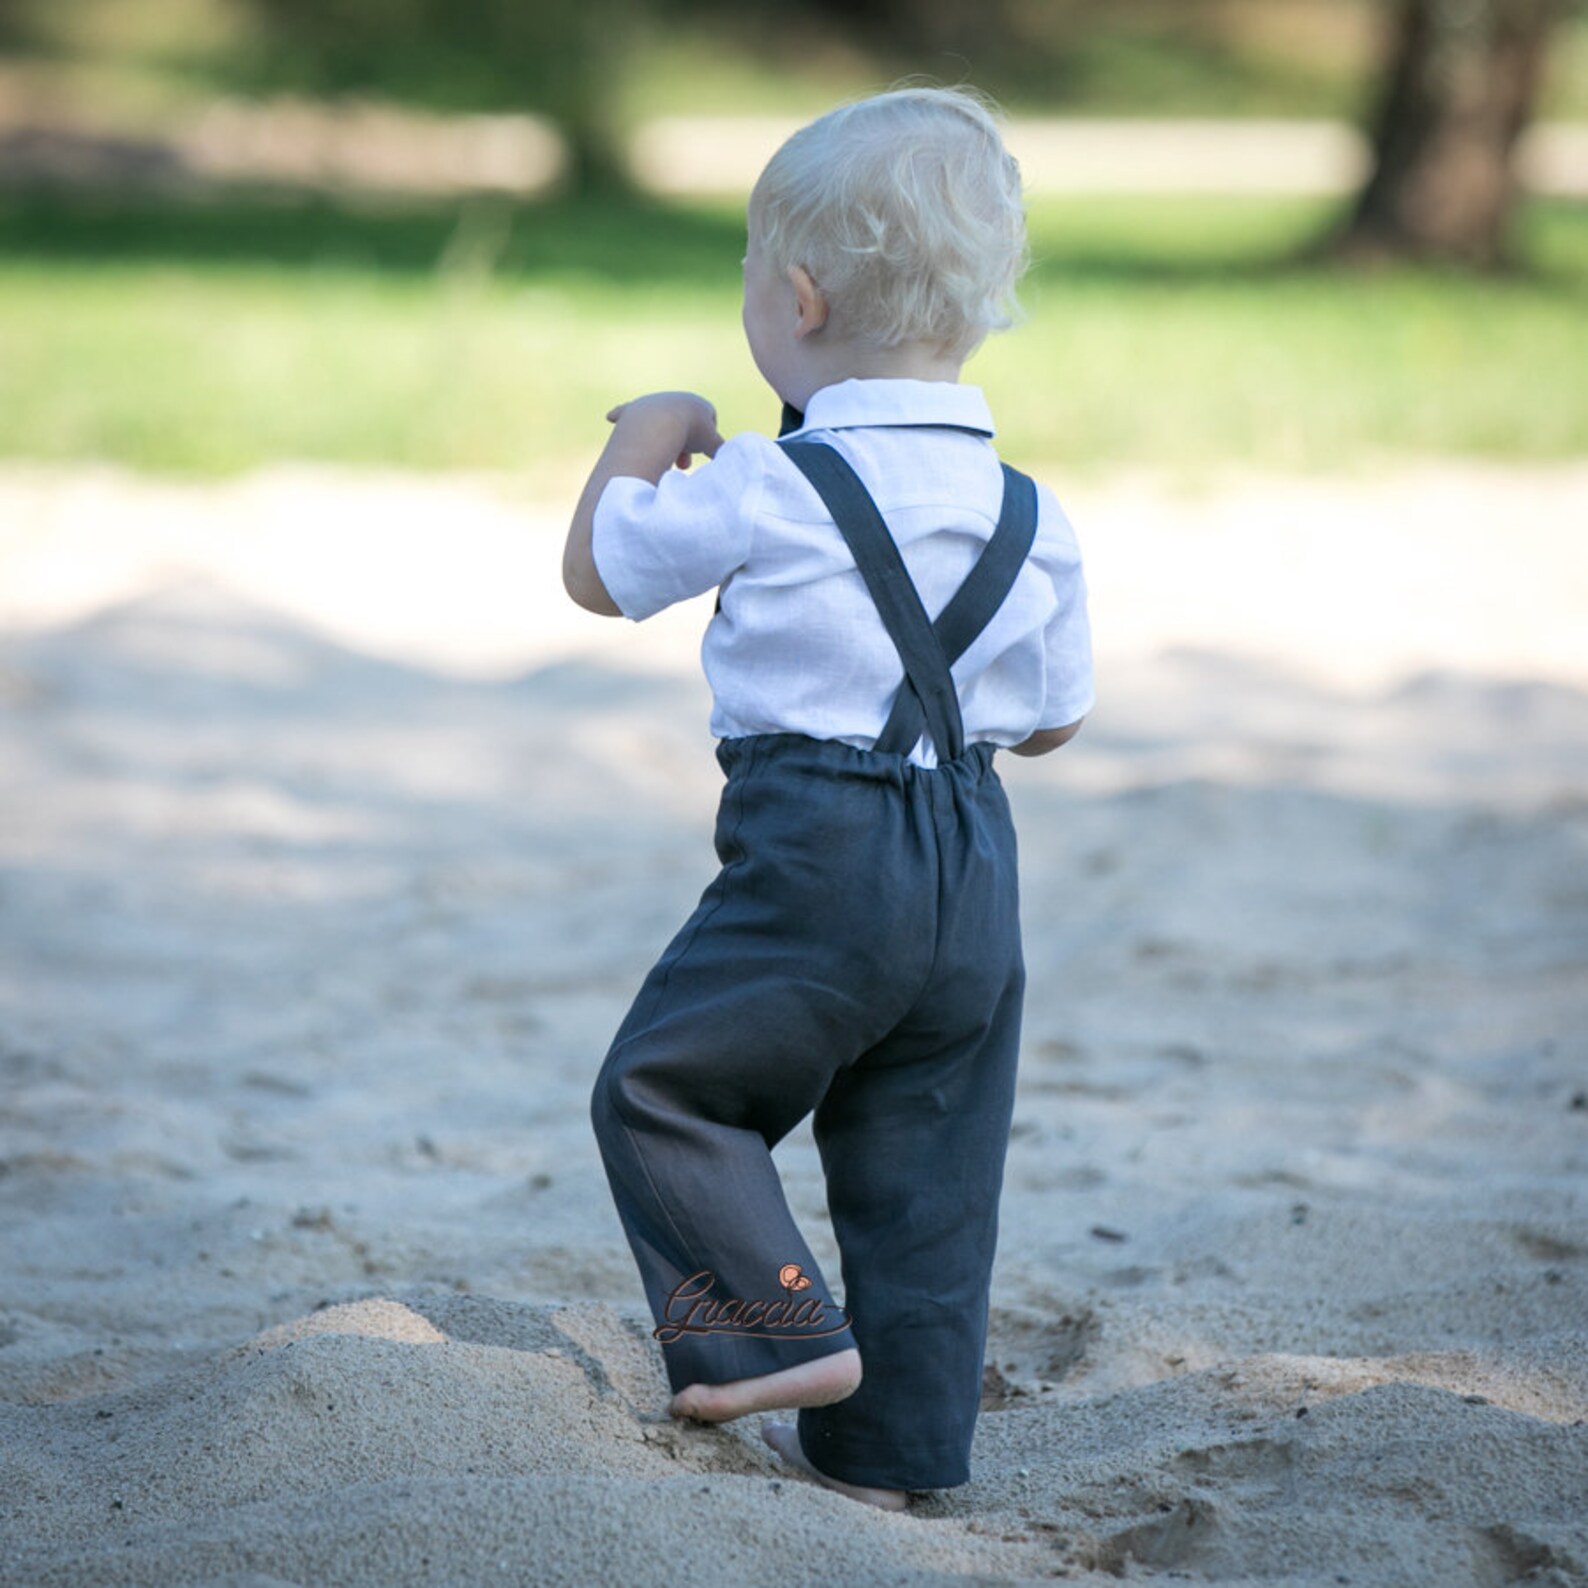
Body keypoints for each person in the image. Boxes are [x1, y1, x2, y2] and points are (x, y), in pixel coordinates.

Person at [561, 84, 1094, 1514]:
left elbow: (605, 572)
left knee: (667, 1086)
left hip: (823, 856)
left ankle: (774, 1335)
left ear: (796, 298)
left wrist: (649, 429)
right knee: (930, 1176)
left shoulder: (770, 481)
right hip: (976, 864)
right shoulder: (1027, 510)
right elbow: (1054, 721)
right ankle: (902, 1451)